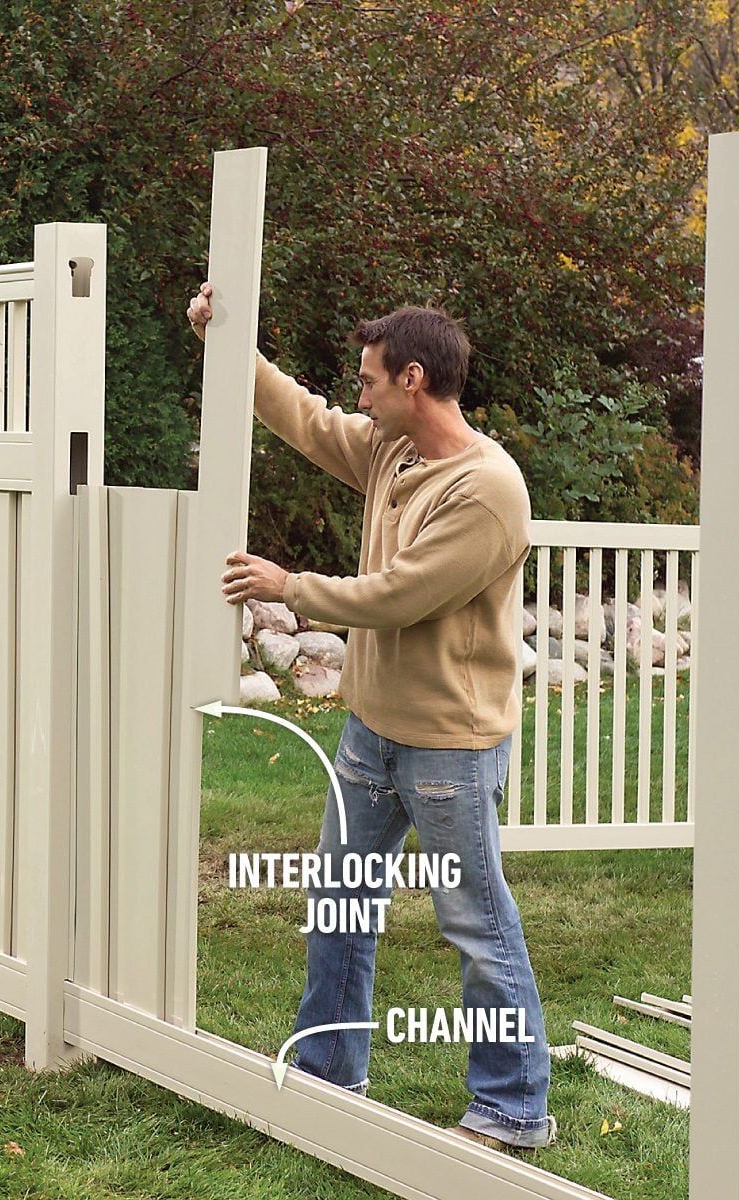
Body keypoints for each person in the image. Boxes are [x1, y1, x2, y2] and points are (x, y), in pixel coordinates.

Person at [186, 284, 555, 1151]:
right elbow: (308, 421)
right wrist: (225, 344)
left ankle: (513, 1108)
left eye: (368, 381)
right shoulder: (394, 450)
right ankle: (328, 1073)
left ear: (412, 380)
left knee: (474, 920)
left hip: (448, 746)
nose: (358, 395)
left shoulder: (488, 490)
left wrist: (291, 588)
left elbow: (400, 596)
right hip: (371, 730)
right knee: (340, 903)